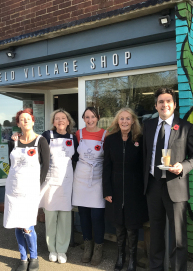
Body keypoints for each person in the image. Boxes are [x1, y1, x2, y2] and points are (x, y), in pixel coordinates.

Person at [142, 88, 193, 271]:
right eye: (161, 101)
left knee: (178, 237)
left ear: (174, 105)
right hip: (152, 186)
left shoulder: (185, 127)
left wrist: (182, 167)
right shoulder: (148, 125)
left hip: (175, 187)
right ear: (156, 105)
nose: (164, 104)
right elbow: (145, 155)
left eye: (168, 101)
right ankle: (156, 268)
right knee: (156, 233)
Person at [3, 108, 50, 271]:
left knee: (27, 225)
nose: (25, 121)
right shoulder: (13, 141)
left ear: (33, 121)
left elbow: (46, 165)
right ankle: (23, 258)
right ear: (18, 123)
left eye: (28, 118)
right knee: (17, 224)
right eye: (22, 119)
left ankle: (34, 257)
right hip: (13, 189)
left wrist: (38, 184)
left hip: (30, 190)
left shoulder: (41, 141)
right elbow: (12, 165)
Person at [103, 107, 148, 271]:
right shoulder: (110, 139)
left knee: (132, 227)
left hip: (134, 189)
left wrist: (144, 189)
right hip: (115, 188)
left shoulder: (140, 139)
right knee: (119, 227)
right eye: (121, 118)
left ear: (133, 121)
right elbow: (106, 166)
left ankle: (132, 261)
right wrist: (106, 190)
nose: (124, 121)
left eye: (128, 118)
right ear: (117, 121)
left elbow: (144, 165)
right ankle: (120, 257)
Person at [39, 109, 79, 264]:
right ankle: (52, 249)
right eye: (57, 119)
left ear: (68, 122)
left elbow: (76, 158)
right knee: (50, 217)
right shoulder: (47, 135)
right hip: (50, 181)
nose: (60, 121)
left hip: (66, 181)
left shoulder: (73, 138)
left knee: (64, 218)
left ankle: (62, 249)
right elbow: (37, 153)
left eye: (64, 118)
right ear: (53, 122)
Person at [72, 107, 107, 265]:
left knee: (97, 216)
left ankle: (98, 248)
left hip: (98, 179)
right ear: (83, 119)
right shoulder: (78, 134)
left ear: (98, 117)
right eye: (87, 117)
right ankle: (88, 246)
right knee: (84, 215)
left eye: (93, 117)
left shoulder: (105, 135)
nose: (90, 120)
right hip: (81, 178)